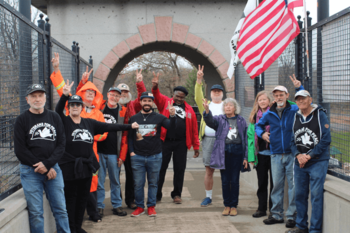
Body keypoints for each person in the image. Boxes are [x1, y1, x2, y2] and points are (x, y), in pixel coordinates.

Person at [56, 80, 139, 233]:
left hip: (86, 167)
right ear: (69, 108)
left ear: (82, 107)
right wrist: (65, 95)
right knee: (71, 199)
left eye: (77, 105)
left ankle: (78, 226)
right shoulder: (64, 122)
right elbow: (57, 110)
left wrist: (130, 126)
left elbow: (110, 127)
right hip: (69, 168)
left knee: (82, 199)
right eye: (72, 105)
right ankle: (71, 228)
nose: (74, 107)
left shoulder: (89, 123)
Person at [50, 53, 107, 222]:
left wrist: (90, 136)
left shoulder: (97, 113)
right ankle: (76, 219)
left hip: (91, 155)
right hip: (72, 157)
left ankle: (93, 212)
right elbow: (63, 91)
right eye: (87, 92)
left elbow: (104, 133)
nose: (90, 94)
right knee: (75, 187)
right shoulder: (74, 109)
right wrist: (56, 69)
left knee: (92, 184)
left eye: (93, 92)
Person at [14, 84, 70, 233]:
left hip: (53, 169)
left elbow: (61, 144)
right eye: (33, 96)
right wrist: (44, 168)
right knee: (37, 214)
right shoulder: (21, 120)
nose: (37, 99)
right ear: (27, 99)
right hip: (30, 172)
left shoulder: (54, 117)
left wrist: (48, 164)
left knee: (61, 210)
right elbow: (20, 150)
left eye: (40, 95)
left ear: (45, 98)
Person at [256, 75, 304, 228]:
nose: (279, 98)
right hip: (275, 154)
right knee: (277, 185)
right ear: (274, 98)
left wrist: (299, 88)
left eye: (281, 95)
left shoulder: (294, 109)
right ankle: (276, 215)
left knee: (293, 186)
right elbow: (258, 126)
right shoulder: (269, 113)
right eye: (276, 96)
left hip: (292, 154)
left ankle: (291, 216)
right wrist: (262, 134)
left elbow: (304, 102)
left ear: (287, 96)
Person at [151, 72, 200, 204]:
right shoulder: (165, 103)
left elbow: (194, 130)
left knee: (180, 169)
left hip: (181, 143)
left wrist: (196, 146)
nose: (179, 99)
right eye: (177, 96)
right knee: (161, 168)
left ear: (185, 98)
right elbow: (156, 96)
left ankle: (177, 194)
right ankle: (157, 194)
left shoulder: (189, 110)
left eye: (182, 97)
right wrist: (155, 87)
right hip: (165, 141)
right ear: (173, 95)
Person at [286, 90, 331, 233]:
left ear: (310, 99)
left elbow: (326, 139)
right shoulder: (295, 116)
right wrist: (298, 155)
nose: (300, 101)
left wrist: (309, 155)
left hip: (317, 161)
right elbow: (292, 141)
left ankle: (315, 230)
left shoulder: (320, 114)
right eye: (298, 99)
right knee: (299, 194)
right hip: (300, 162)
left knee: (316, 195)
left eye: (303, 99)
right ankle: (301, 226)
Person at [128, 91, 177, 217]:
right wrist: (131, 152)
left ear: (152, 102)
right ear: (140, 102)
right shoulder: (134, 118)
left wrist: (172, 116)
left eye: (149, 101)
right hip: (137, 156)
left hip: (154, 156)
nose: (147, 103)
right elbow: (130, 137)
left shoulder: (159, 117)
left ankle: (151, 206)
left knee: (153, 183)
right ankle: (139, 207)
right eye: (144, 100)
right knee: (138, 184)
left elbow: (171, 128)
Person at [203, 98, 248, 216]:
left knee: (235, 180)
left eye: (230, 105)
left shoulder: (241, 120)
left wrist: (245, 157)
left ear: (235, 108)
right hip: (224, 152)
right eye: (226, 105)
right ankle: (226, 205)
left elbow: (245, 139)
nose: (227, 107)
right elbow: (210, 122)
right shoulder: (220, 119)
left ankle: (234, 206)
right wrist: (207, 111)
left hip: (237, 151)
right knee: (225, 181)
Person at [194, 64, 224, 207]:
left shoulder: (228, 105)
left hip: (224, 141)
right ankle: (208, 197)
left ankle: (228, 197)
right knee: (209, 169)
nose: (216, 93)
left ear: (222, 93)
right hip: (208, 141)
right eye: (214, 91)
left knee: (225, 169)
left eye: (219, 91)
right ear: (210, 93)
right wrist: (199, 81)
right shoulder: (206, 104)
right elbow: (197, 96)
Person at [247, 91, 273, 218]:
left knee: (275, 184)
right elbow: (250, 139)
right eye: (260, 100)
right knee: (262, 183)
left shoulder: (274, 113)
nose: (262, 102)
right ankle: (261, 208)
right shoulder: (254, 117)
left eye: (264, 99)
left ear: (269, 101)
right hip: (260, 154)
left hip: (274, 154)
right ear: (257, 102)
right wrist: (251, 157)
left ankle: (274, 209)